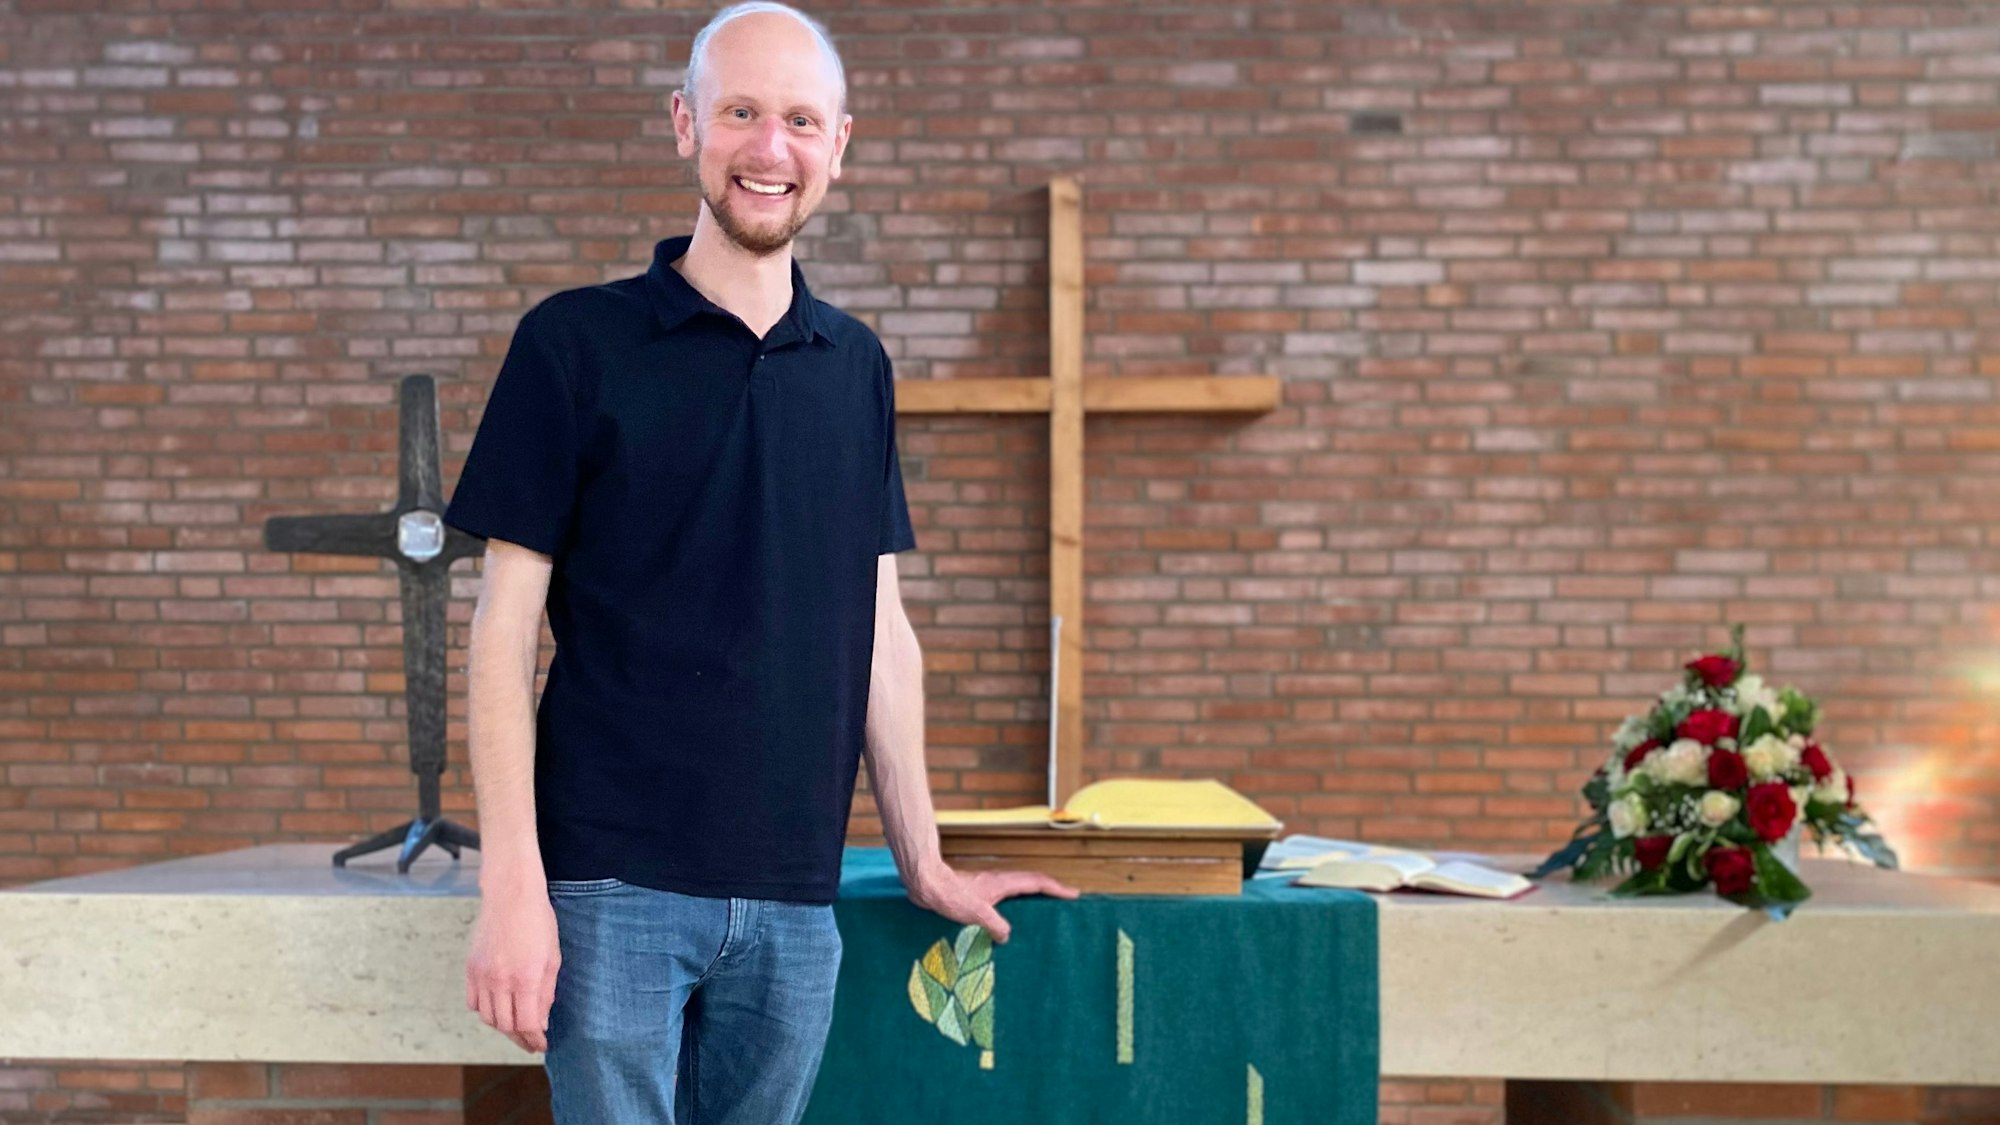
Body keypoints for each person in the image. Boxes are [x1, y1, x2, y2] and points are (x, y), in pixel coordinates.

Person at [442, 3, 1079, 1122]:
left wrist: (923, 859)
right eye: (739, 112)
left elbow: (877, 631)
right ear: (685, 124)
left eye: (798, 119)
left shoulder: (856, 368)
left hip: (794, 894)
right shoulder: (573, 344)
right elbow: (501, 631)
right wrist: (512, 889)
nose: (767, 148)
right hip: (610, 886)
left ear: (839, 144)